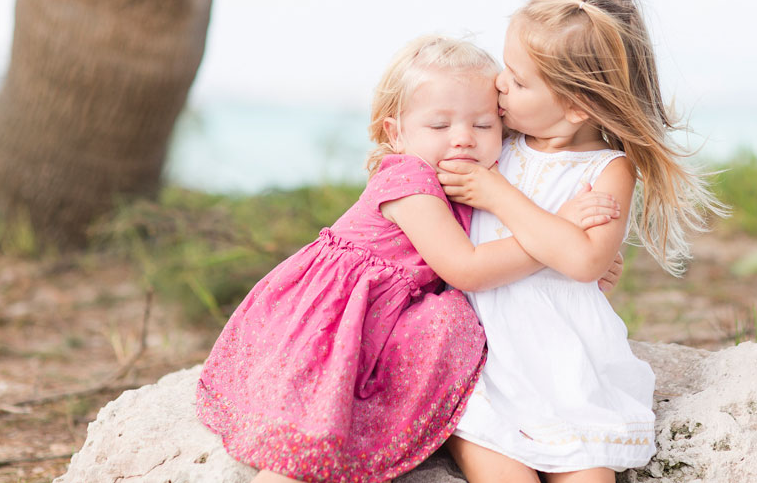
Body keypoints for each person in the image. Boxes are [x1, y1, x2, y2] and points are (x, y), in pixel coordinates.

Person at [195, 35, 621, 483]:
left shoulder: (479, 179)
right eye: (439, 126)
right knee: (316, 433)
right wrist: (555, 240)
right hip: (341, 314)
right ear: (395, 133)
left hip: (386, 312)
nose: (462, 140)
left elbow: (503, 239)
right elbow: (468, 267)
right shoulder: (409, 180)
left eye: (482, 126)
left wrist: (574, 260)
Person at [438, 0, 724, 482]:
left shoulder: (608, 170)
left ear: (576, 107)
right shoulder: (493, 143)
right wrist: (558, 239)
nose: (500, 85)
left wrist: (498, 195)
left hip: (567, 367)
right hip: (485, 363)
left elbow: (585, 262)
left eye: (520, 82)